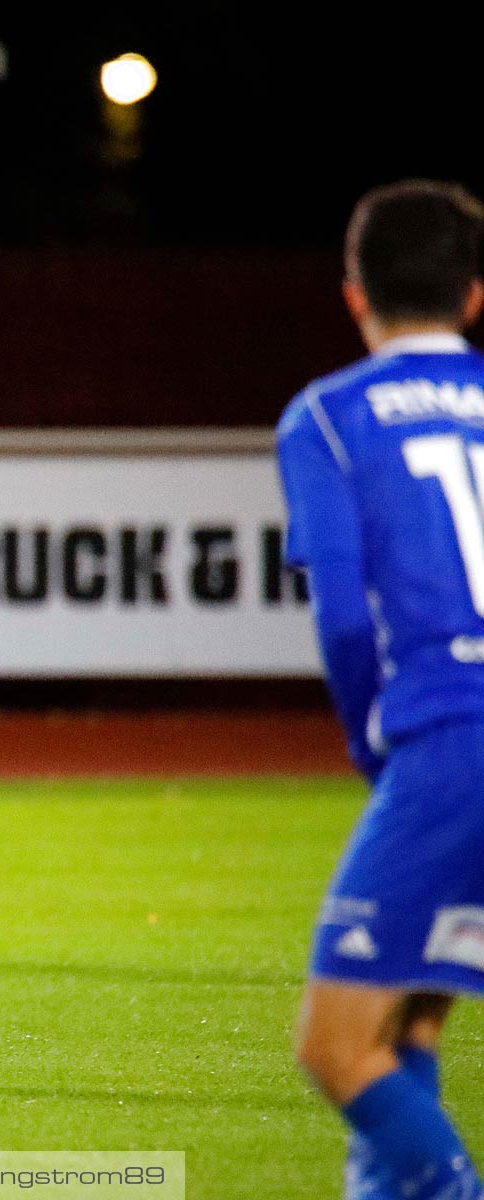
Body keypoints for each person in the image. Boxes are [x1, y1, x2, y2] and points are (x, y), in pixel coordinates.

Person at [280, 180, 484, 1198]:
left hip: (450, 741)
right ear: (475, 296)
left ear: (355, 293)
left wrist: (379, 750)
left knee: (334, 1044)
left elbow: (349, 616)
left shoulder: (327, 420)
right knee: (411, 1023)